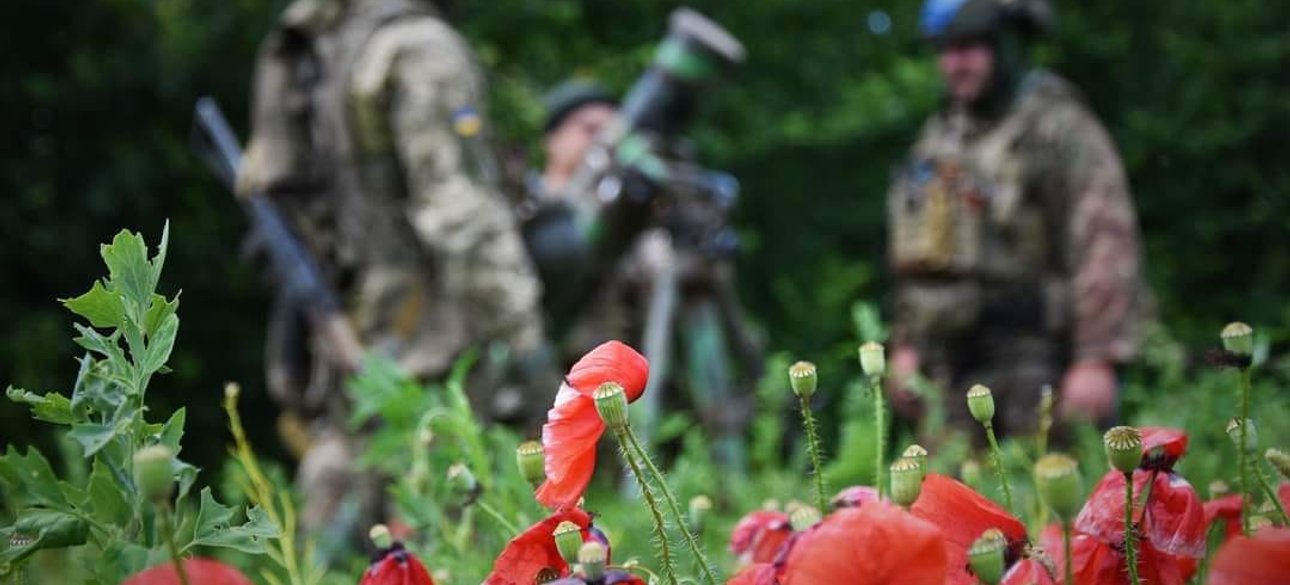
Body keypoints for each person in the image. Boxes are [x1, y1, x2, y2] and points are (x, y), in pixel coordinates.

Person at [237, 0, 554, 537]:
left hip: (350, 319)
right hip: (429, 335)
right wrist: (528, 345)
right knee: (454, 532)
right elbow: (461, 214)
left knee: (363, 525)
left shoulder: (324, 39)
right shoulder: (417, 48)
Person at [886, 0, 1146, 436]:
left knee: (1058, 499)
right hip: (951, 371)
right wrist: (905, 346)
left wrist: (1096, 359)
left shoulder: (1057, 126)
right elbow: (918, 256)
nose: (955, 63)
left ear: (1006, 45)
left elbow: (1105, 239)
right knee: (939, 502)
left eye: (970, 47)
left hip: (1041, 362)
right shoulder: (939, 139)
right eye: (945, 49)